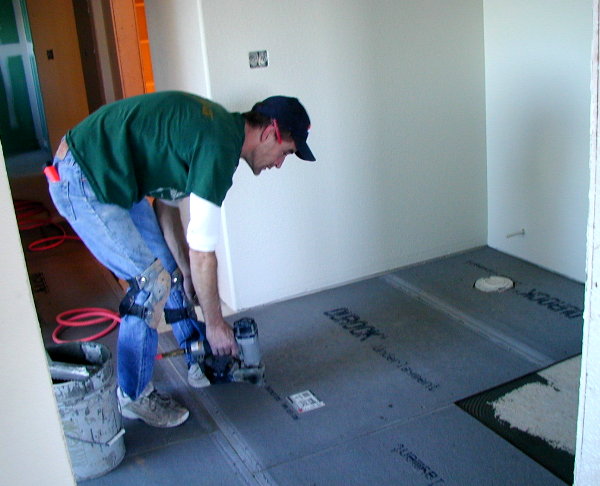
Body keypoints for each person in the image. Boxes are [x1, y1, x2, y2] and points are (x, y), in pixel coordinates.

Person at [46, 91, 315, 427]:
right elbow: (203, 253)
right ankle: (133, 395)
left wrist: (185, 271)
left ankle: (195, 354)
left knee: (169, 272)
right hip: (84, 177)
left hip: (112, 176)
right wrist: (216, 324)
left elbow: (167, 206)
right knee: (150, 285)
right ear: (270, 133)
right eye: (285, 152)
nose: (279, 163)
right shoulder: (218, 147)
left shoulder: (217, 131)